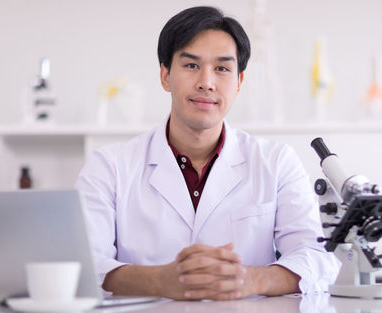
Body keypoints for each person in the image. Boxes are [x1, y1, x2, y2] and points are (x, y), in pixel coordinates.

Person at [75, 6, 339, 301]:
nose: (206, 82)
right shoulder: (109, 166)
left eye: (222, 68)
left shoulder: (276, 161)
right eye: (191, 66)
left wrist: (252, 279)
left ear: (239, 82)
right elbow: (83, 265)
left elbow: (318, 256)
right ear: (165, 76)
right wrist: (159, 281)